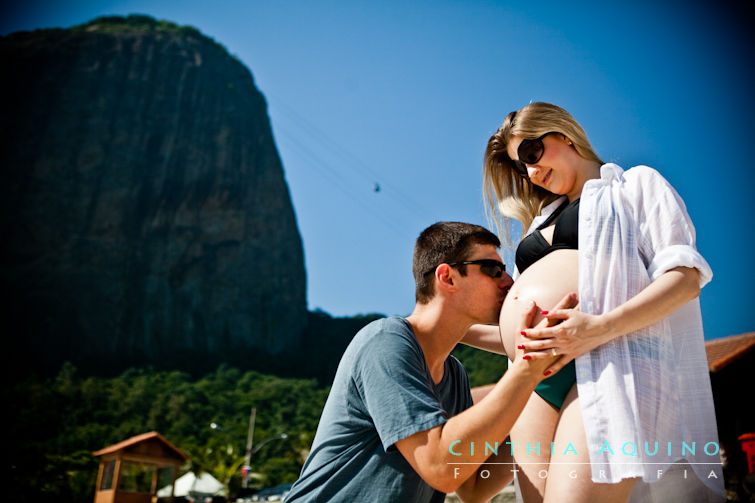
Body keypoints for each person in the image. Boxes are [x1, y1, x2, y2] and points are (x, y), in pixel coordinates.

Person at [463, 102, 724, 502]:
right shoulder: (539, 221)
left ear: (562, 133)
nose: (531, 172)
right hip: (534, 379)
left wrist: (598, 327)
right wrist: (448, 330)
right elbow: (526, 332)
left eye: (532, 154)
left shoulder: (634, 185)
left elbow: (685, 279)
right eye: (521, 167)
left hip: (615, 361)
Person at [285, 221, 577, 503]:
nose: (509, 281)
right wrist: (528, 367)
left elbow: (472, 489)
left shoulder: (454, 374)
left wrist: (543, 404)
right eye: (492, 269)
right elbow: (442, 468)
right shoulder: (385, 341)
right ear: (447, 277)